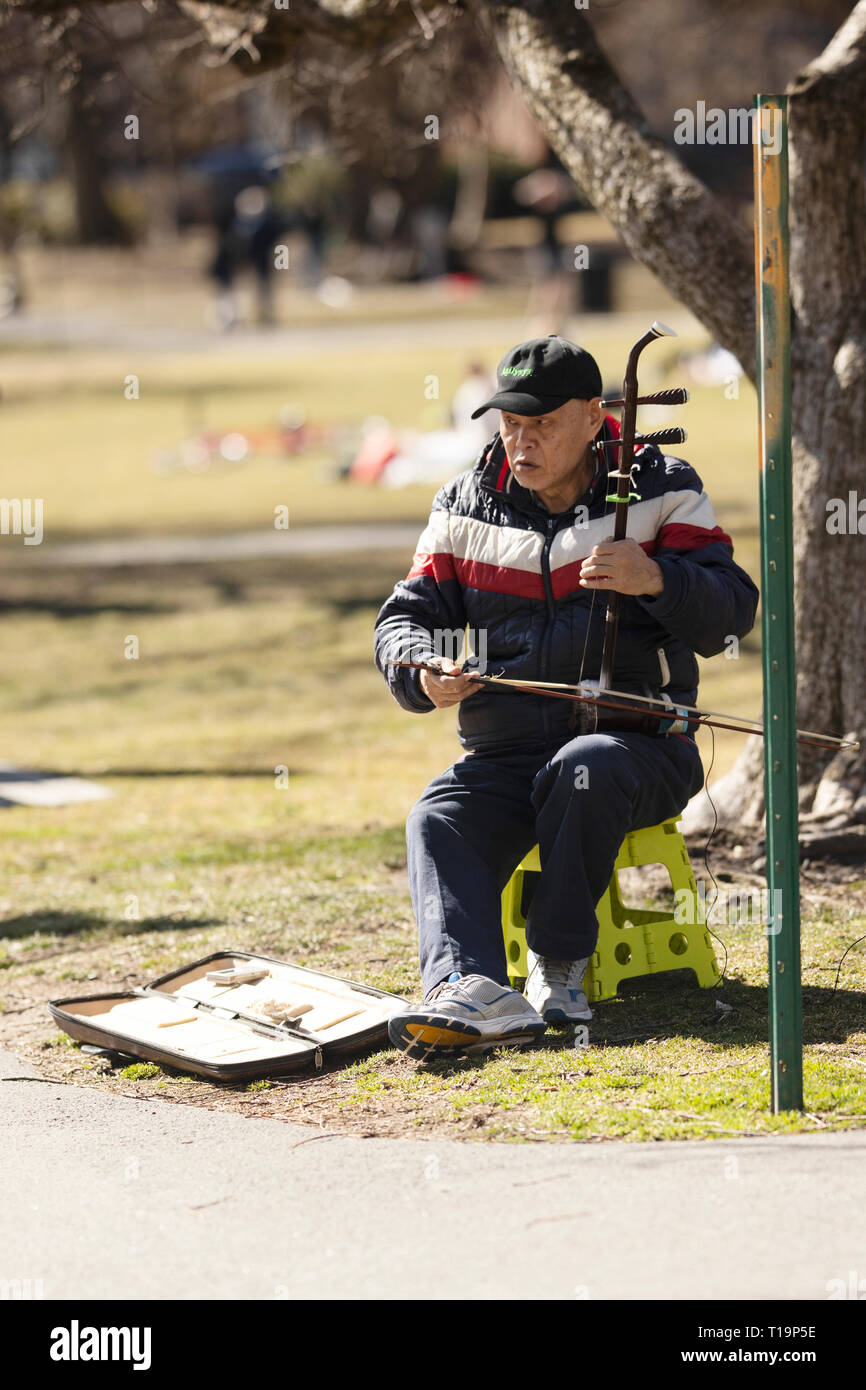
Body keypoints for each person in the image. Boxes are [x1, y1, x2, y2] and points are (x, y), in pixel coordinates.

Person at [373, 335, 759, 1060]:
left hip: (638, 750)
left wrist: (657, 580)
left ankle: (559, 961)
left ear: (592, 417)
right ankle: (470, 989)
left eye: (541, 424)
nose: (520, 442)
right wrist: (421, 668)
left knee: (585, 765)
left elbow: (734, 611)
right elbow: (402, 618)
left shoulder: (662, 488)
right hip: (509, 752)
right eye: (509, 424)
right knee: (438, 816)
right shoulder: (463, 504)